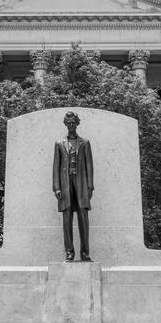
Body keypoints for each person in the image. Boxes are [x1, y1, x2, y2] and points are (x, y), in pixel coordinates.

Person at [52, 111, 94, 262]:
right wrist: (56, 187)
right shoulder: (58, 143)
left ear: (77, 123)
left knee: (83, 216)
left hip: (81, 183)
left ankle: (85, 253)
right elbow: (56, 166)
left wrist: (90, 187)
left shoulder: (85, 143)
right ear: (65, 124)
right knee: (67, 216)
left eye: (73, 122)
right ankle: (69, 252)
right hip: (65, 183)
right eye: (68, 123)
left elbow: (89, 165)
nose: (71, 125)